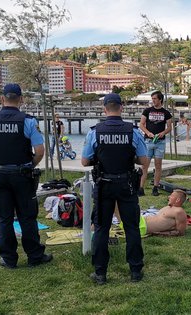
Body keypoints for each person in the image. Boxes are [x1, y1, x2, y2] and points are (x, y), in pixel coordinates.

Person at [0, 83, 52, 268]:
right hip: (23, 174)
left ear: (1, 98)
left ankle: (8, 258)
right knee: (27, 216)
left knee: (4, 217)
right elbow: (39, 151)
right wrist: (31, 165)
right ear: (21, 99)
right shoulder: (28, 121)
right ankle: (34, 256)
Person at [82, 93, 148, 285]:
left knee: (102, 228)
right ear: (121, 108)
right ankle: (135, 270)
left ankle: (100, 273)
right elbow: (143, 161)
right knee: (131, 227)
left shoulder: (95, 132)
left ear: (104, 109)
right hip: (127, 184)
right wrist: (130, 158)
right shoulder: (133, 131)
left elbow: (85, 161)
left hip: (104, 184)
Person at [139, 91, 173, 196]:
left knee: (158, 166)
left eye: (155, 98)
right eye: (152, 98)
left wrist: (162, 133)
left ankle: (155, 187)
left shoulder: (166, 113)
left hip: (160, 142)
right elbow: (141, 124)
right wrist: (148, 133)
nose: (153, 100)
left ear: (160, 100)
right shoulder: (147, 111)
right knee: (145, 166)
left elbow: (169, 127)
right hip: (148, 141)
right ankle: (141, 188)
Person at [115, 189, 188, 237]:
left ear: (177, 200)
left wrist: (160, 234)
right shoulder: (168, 207)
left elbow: (180, 232)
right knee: (120, 203)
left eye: (171, 196)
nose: (169, 197)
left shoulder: (179, 211)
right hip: (140, 221)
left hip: (141, 227)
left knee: (117, 205)